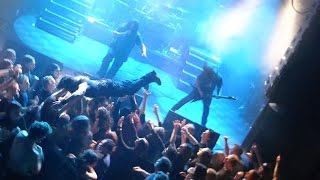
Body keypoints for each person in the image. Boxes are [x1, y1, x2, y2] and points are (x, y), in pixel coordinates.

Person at [54, 70, 161, 108]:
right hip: (107, 84)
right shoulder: (78, 80)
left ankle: (149, 77)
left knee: (129, 90)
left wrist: (62, 102)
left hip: (109, 87)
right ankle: (148, 78)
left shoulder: (82, 85)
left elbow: (79, 93)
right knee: (127, 85)